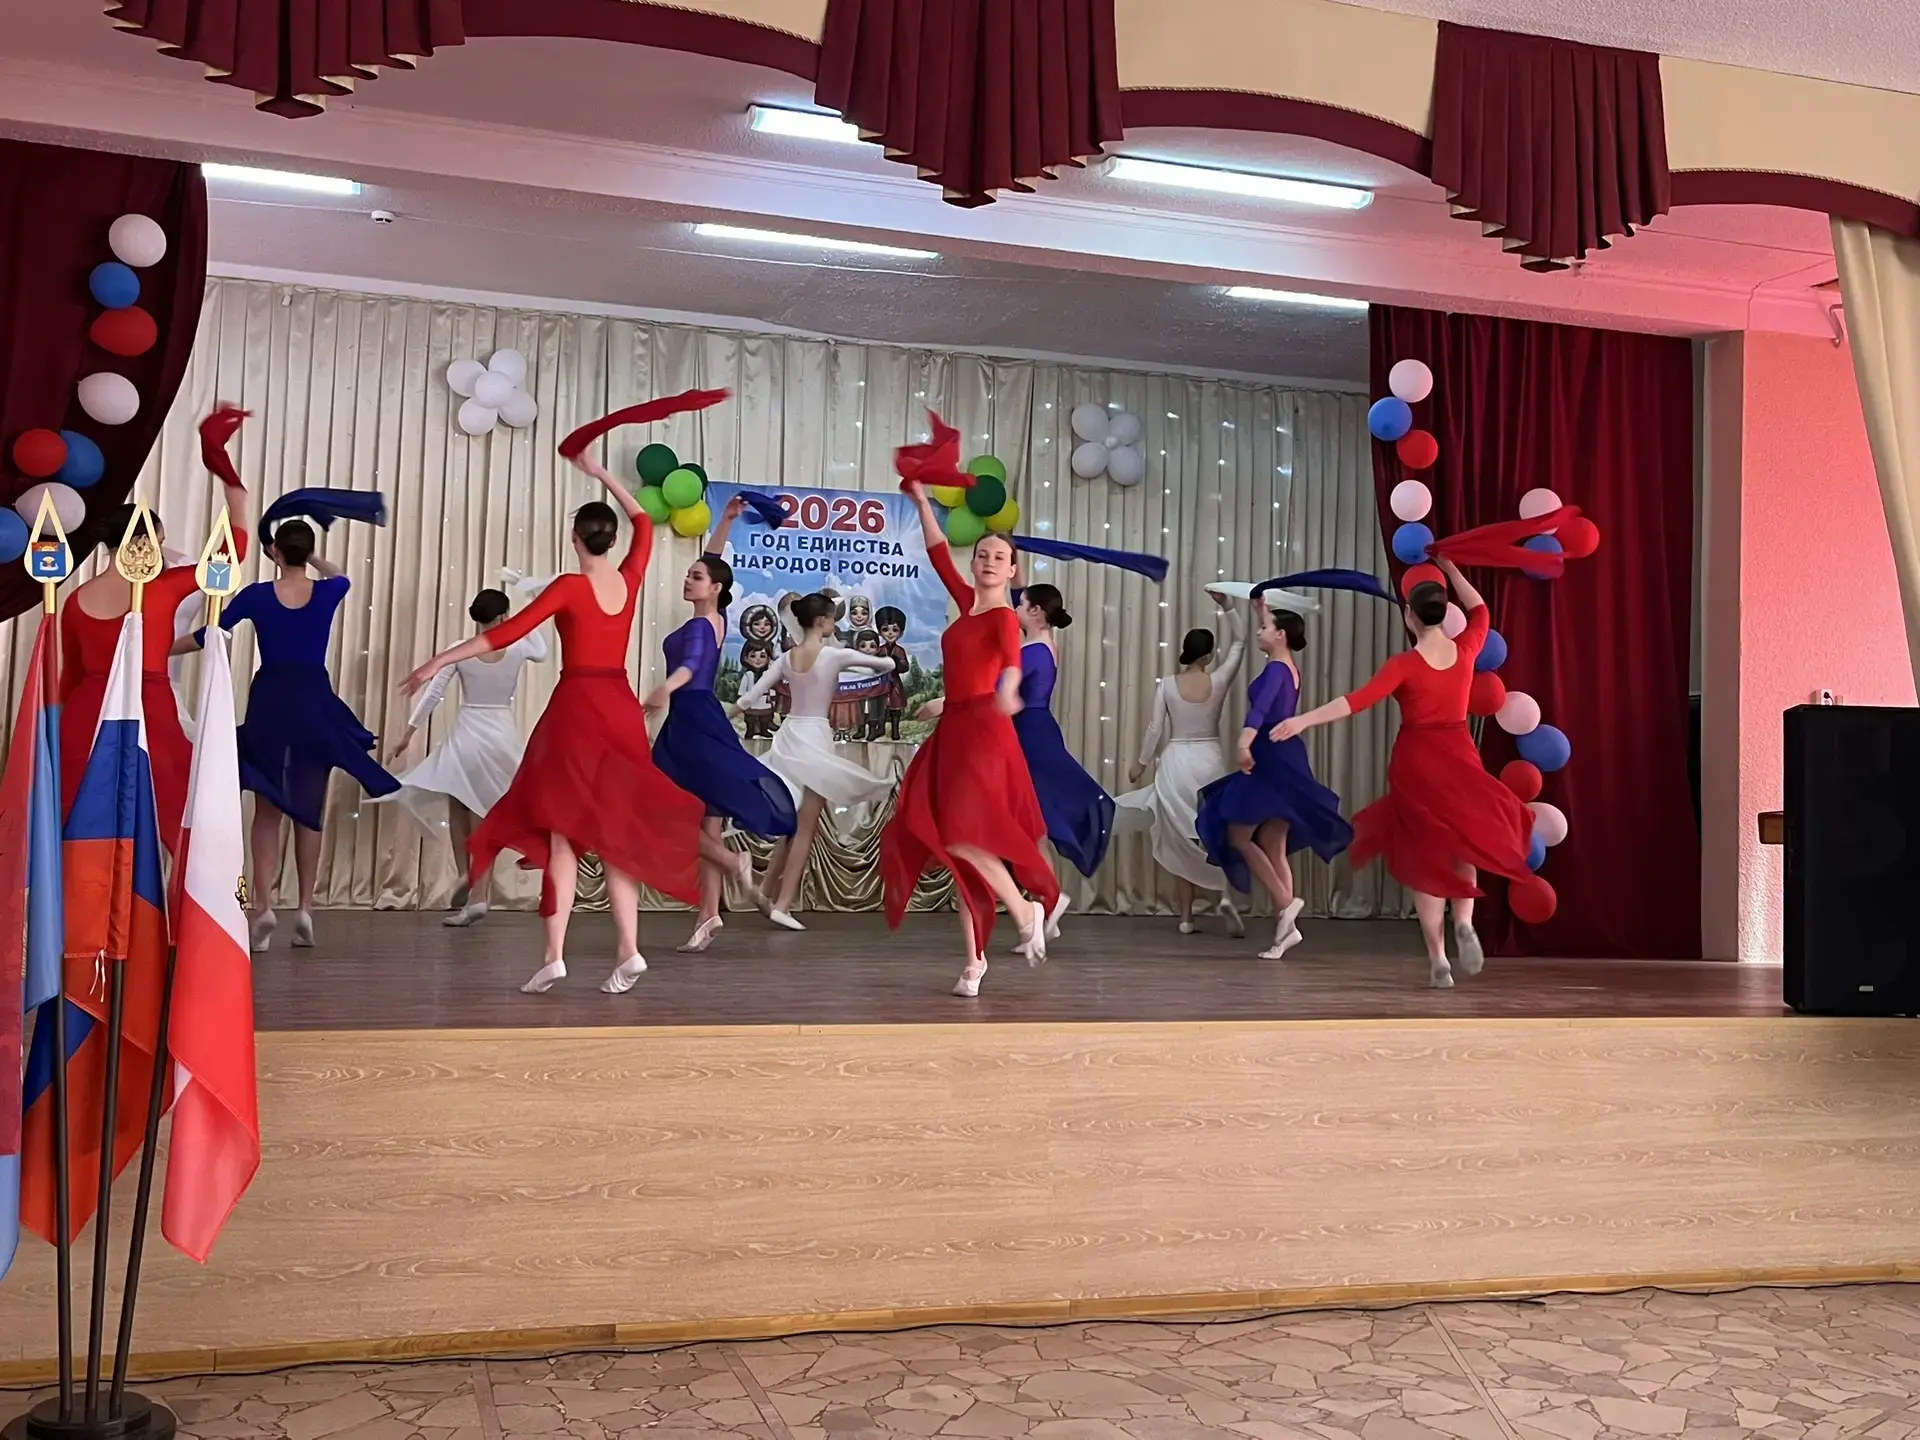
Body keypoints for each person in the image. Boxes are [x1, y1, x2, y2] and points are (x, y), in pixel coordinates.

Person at [401, 452, 727, 995]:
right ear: (611, 540)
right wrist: (601, 474)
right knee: (615, 834)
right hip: (619, 706)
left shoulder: (568, 587)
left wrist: (439, 661)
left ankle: (554, 956)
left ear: (576, 539)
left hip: (576, 707)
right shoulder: (630, 578)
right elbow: (644, 524)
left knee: (561, 835)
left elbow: (503, 634)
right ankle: (628, 950)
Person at [1272, 557, 1533, 987]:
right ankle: (1464, 921)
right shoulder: (1466, 649)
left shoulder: (1404, 665)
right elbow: (1480, 610)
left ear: (1410, 616)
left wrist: (1302, 721)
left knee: (1423, 857)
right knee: (1464, 844)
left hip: (1416, 762)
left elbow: (1355, 701)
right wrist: (1449, 568)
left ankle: (1438, 959)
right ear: (1443, 614)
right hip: (1459, 756)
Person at [185, 514, 397, 952]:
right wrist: (311, 556)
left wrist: (161, 649)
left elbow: (210, 633)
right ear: (306, 552)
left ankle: (263, 906)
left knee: (267, 808)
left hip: (271, 699)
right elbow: (340, 574)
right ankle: (305, 908)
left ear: (274, 552)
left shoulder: (258, 595)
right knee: (308, 806)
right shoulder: (327, 591)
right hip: (313, 698)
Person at [881, 477, 1059, 998]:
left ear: (1013, 569)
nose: (988, 562)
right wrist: (921, 502)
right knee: (957, 848)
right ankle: (974, 961)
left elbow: (1009, 662)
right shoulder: (967, 603)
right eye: (982, 554)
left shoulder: (1003, 616)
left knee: (963, 835)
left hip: (984, 732)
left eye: (999, 557)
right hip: (955, 729)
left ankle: (1024, 911)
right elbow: (939, 554)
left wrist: (1009, 689)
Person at [58, 409, 250, 857]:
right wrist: (234, 492)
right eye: (159, 542)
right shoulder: (163, 588)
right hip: (149, 711)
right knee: (179, 816)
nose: (163, 551)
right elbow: (232, 552)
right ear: (144, 544)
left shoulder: (75, 601)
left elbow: (68, 680)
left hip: (84, 714)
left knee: (84, 821)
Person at [648, 505, 798, 955]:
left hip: (691, 720)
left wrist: (664, 688)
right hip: (700, 717)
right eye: (688, 574)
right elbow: (714, 564)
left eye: (695, 577)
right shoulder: (717, 618)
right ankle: (708, 915)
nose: (688, 580)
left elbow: (692, 665)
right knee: (706, 824)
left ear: (714, 588)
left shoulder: (701, 624)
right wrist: (727, 522)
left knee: (661, 808)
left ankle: (734, 862)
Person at [1194, 599, 1352, 960]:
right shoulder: (1289, 666)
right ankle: (1285, 933)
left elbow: (1261, 708)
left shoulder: (1276, 670)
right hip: (1286, 755)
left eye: (1265, 628)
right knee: (1272, 842)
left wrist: (1243, 741)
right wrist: (1260, 609)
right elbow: (1275, 635)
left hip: (1268, 756)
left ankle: (1286, 902)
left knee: (1238, 835)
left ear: (1281, 635)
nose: (1259, 631)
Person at [383, 586, 549, 927]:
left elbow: (433, 694)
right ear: (503, 616)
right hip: (500, 733)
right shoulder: (518, 645)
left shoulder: (462, 649)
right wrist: (528, 612)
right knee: (478, 810)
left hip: (467, 734)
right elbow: (542, 651)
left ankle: (474, 890)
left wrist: (407, 735)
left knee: (462, 806)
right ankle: (473, 887)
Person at [731, 592, 897, 929]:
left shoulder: (786, 658)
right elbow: (888, 665)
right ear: (822, 621)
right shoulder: (833, 655)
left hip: (790, 738)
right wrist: (857, 656)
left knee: (792, 826)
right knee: (805, 829)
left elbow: (748, 698)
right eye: (833, 618)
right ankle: (783, 904)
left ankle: (765, 891)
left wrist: (721, 718)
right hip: (815, 740)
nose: (835, 623)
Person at [1114, 590, 1247, 936]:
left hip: (1176, 762)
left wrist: (1140, 764)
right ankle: (1225, 896)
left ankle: (1186, 917)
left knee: (1179, 838)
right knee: (1215, 834)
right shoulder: (1219, 679)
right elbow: (1240, 642)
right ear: (1209, 654)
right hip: (1209, 761)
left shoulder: (1168, 685)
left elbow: (1154, 728)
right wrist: (1228, 607)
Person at [1010, 583, 1113, 928]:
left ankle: (1049, 900)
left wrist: (948, 702)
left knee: (1033, 823)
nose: (1015, 608)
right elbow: (1022, 596)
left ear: (1036, 611)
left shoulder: (1034, 651)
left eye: (1021, 605)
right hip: (1034, 730)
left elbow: (999, 690)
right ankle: (1046, 905)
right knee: (1032, 824)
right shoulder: (1045, 641)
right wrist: (1015, 564)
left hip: (1031, 734)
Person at [871, 606, 910, 740]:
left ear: (901, 632)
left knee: (895, 709)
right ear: (879, 631)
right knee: (881, 708)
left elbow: (905, 667)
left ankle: (895, 731)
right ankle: (880, 729)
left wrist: (897, 663)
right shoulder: (879, 650)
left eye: (895, 630)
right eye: (885, 629)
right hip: (881, 683)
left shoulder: (900, 651)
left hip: (894, 684)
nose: (890, 633)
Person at [737, 638, 778, 739]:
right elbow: (742, 691)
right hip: (751, 704)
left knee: (765, 719)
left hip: (765, 703)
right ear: (746, 658)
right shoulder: (748, 675)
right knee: (750, 720)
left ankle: (764, 730)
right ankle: (750, 731)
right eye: (753, 656)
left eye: (762, 656)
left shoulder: (768, 675)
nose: (758, 659)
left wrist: (772, 699)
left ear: (768, 658)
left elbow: (771, 689)